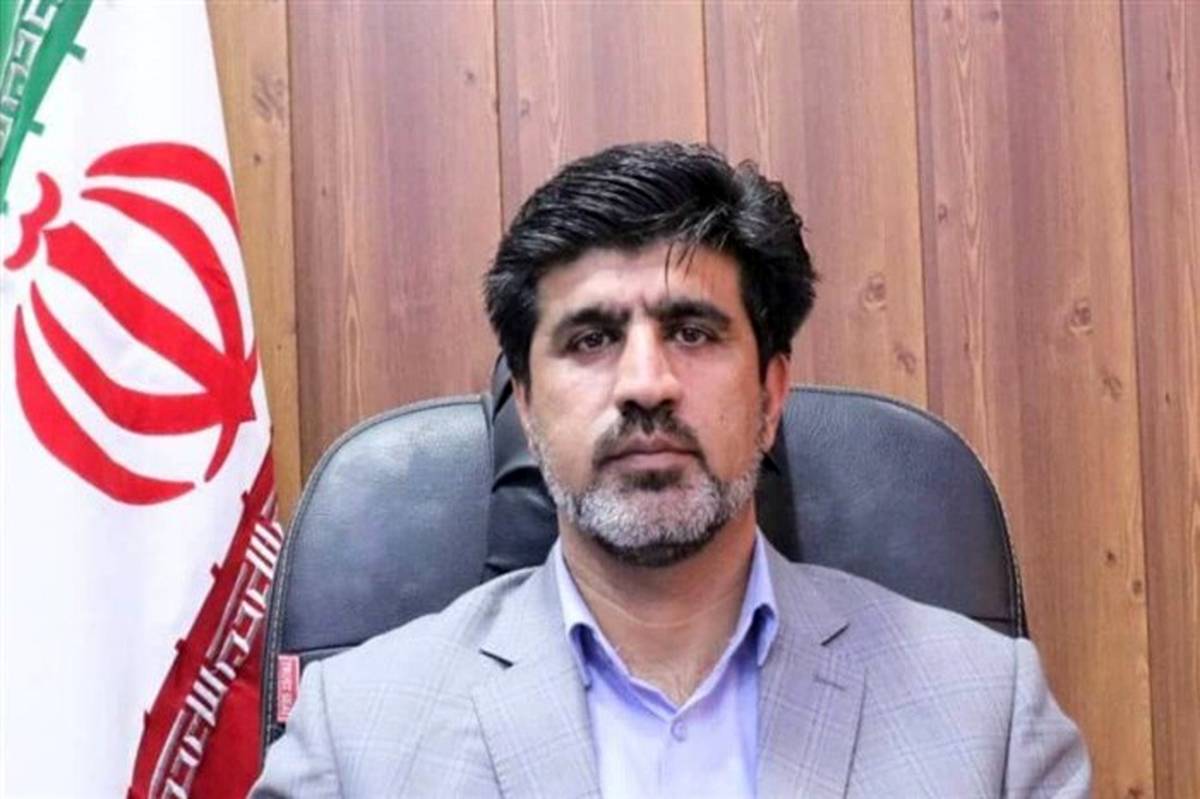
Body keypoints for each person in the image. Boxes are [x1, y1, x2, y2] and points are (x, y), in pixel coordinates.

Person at [254, 142, 1090, 797]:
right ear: (528, 408)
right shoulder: (356, 733)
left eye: (692, 331)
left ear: (771, 394)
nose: (646, 383)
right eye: (591, 339)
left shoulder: (986, 712)